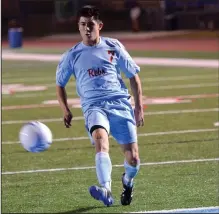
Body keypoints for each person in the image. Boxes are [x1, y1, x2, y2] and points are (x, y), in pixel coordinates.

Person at [56, 5, 144, 207]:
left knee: (133, 160)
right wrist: (65, 109)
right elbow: (60, 84)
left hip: (121, 104)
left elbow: (133, 76)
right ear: (78, 27)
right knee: (100, 140)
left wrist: (138, 107)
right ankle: (106, 189)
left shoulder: (113, 46)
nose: (87, 29)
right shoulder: (72, 55)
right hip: (94, 106)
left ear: (100, 25)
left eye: (91, 24)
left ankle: (127, 181)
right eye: (83, 25)